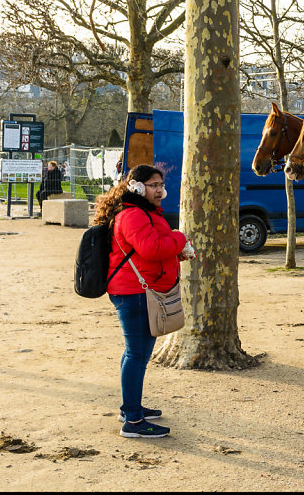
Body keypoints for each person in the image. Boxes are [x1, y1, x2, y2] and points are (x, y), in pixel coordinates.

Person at [92, 164, 194, 439]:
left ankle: (131, 409)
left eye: (161, 184)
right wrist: (180, 237)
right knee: (137, 356)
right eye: (153, 185)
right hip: (134, 293)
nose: (160, 190)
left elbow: (152, 248)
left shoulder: (143, 212)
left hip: (138, 291)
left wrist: (174, 252)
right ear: (137, 187)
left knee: (134, 354)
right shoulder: (133, 215)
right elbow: (152, 248)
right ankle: (133, 423)